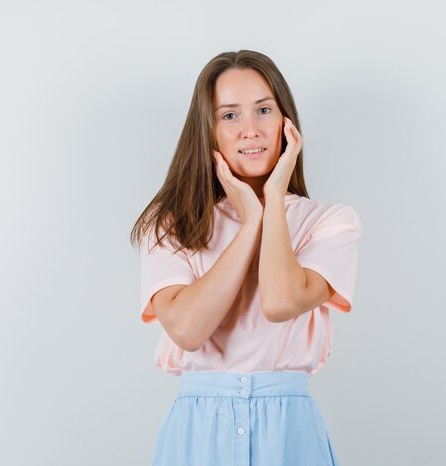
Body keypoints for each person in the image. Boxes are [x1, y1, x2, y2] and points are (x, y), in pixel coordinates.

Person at [129, 49, 362, 466]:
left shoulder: (330, 222)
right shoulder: (169, 223)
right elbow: (187, 329)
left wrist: (273, 198)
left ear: (287, 124)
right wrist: (250, 221)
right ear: (209, 130)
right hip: (199, 428)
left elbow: (280, 301)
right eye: (230, 116)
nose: (251, 130)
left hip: (288, 427)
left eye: (264, 110)